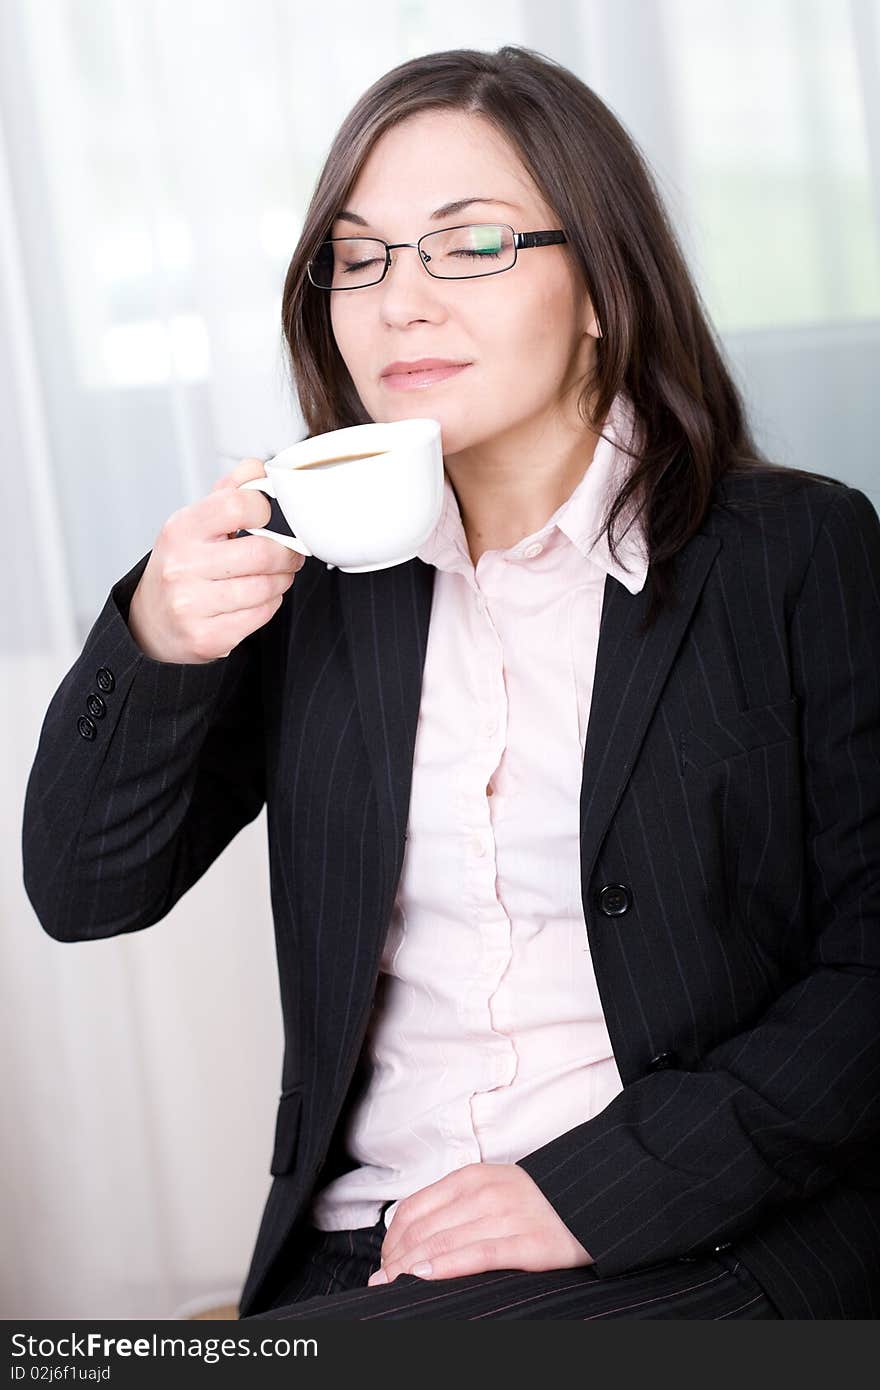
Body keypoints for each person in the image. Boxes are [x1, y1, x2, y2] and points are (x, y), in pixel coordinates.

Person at [22, 45, 879, 1321]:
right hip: (368, 1252)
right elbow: (86, 891)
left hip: (687, 1240)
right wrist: (153, 636)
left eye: (468, 245)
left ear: (600, 284)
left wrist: (593, 1189)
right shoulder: (314, 583)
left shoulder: (795, 553)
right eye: (356, 258)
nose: (396, 304)